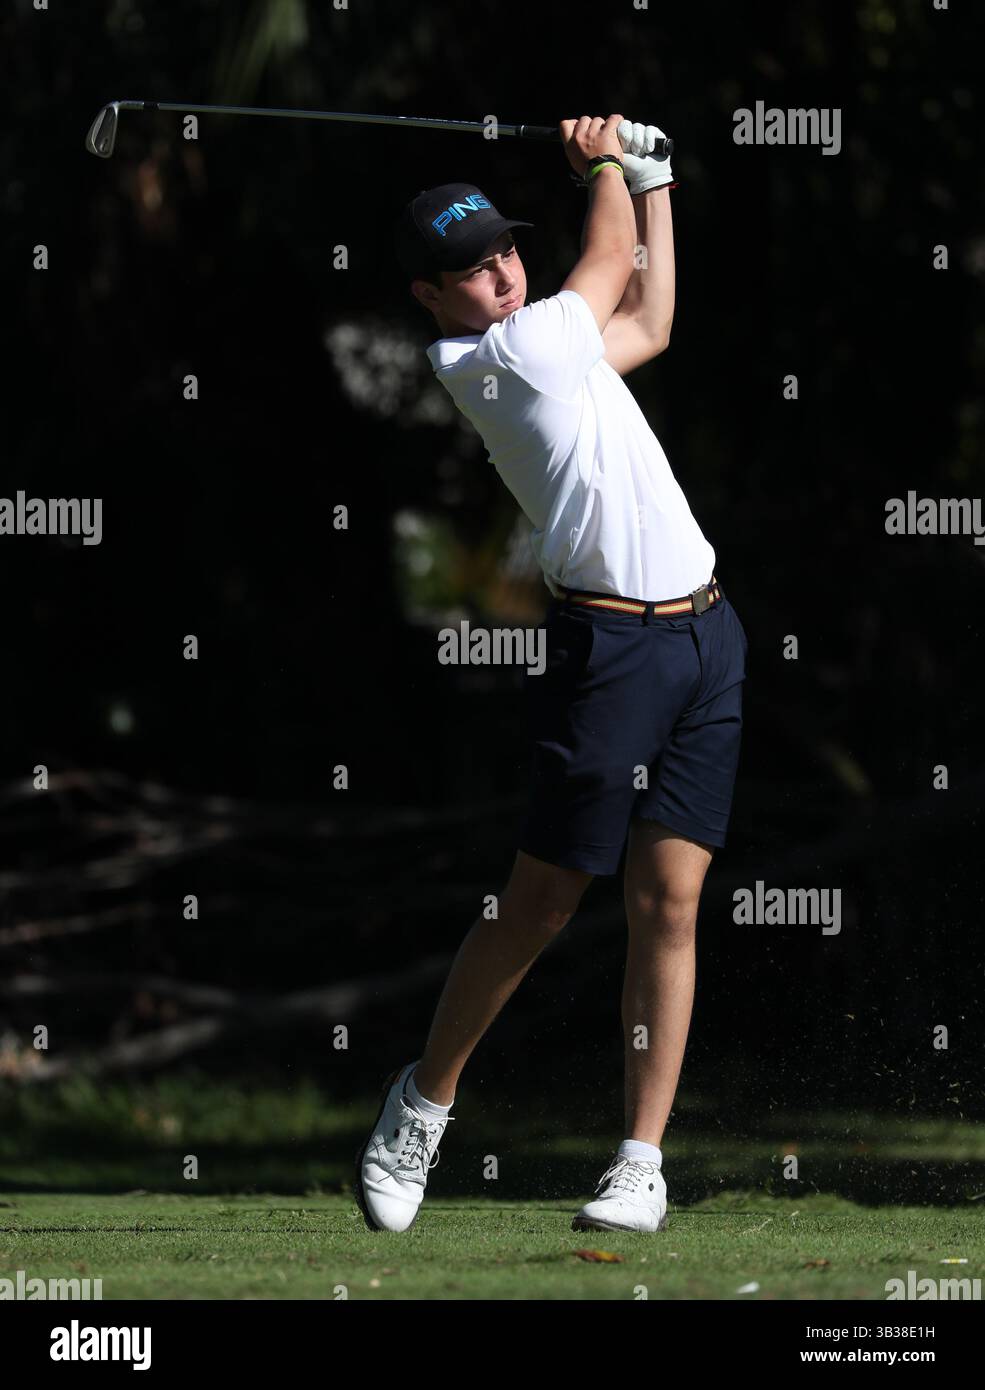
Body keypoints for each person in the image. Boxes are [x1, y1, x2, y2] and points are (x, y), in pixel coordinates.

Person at [355, 115, 748, 1235]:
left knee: (669, 904)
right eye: (473, 268)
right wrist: (610, 162)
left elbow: (653, 319)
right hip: (611, 651)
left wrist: (655, 176)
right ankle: (422, 1105)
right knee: (539, 902)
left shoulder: (550, 343)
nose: (500, 271)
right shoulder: (503, 359)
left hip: (706, 635)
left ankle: (639, 1162)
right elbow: (611, 261)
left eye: (505, 250)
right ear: (431, 297)